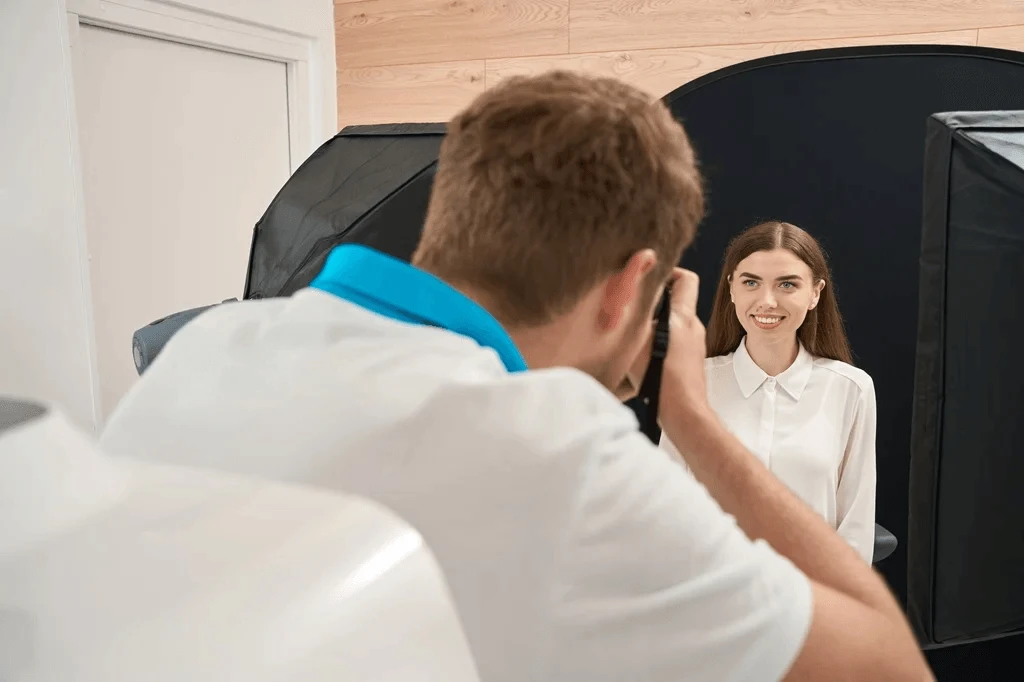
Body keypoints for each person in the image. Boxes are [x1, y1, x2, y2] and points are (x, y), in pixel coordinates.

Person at [100, 72, 931, 681]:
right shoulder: (560, 453)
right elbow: (889, 665)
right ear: (627, 289)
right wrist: (692, 414)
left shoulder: (200, 349)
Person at [661, 221, 877, 562]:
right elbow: (666, 506)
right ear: (731, 288)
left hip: (811, 602)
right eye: (751, 282)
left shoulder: (851, 389)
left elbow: (856, 526)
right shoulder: (691, 381)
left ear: (815, 292)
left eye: (787, 284)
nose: (767, 301)